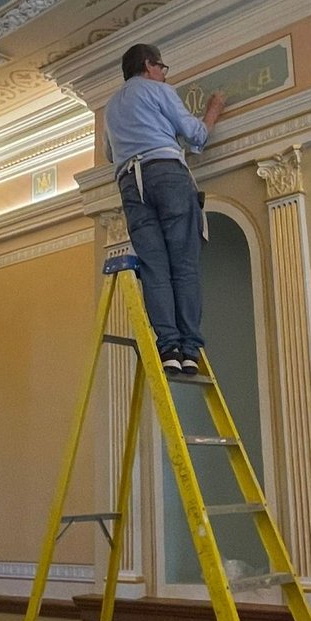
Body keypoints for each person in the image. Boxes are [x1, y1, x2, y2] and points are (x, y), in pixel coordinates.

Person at [104, 42, 225, 374]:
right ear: (148, 65)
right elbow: (195, 134)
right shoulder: (158, 90)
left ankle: (168, 348)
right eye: (162, 68)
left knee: (155, 267)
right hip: (166, 173)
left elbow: (109, 154)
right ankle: (189, 350)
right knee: (183, 263)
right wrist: (213, 110)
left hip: (130, 183)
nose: (163, 74)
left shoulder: (111, 106)